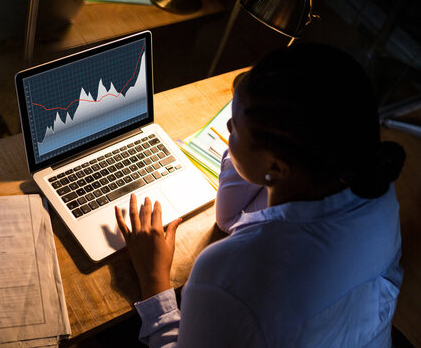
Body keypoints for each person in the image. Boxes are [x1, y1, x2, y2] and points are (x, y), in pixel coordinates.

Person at [114, 43, 406, 347]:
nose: (227, 126)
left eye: (235, 128)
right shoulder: (375, 189)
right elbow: (229, 218)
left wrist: (154, 280)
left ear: (277, 167)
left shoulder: (228, 276)